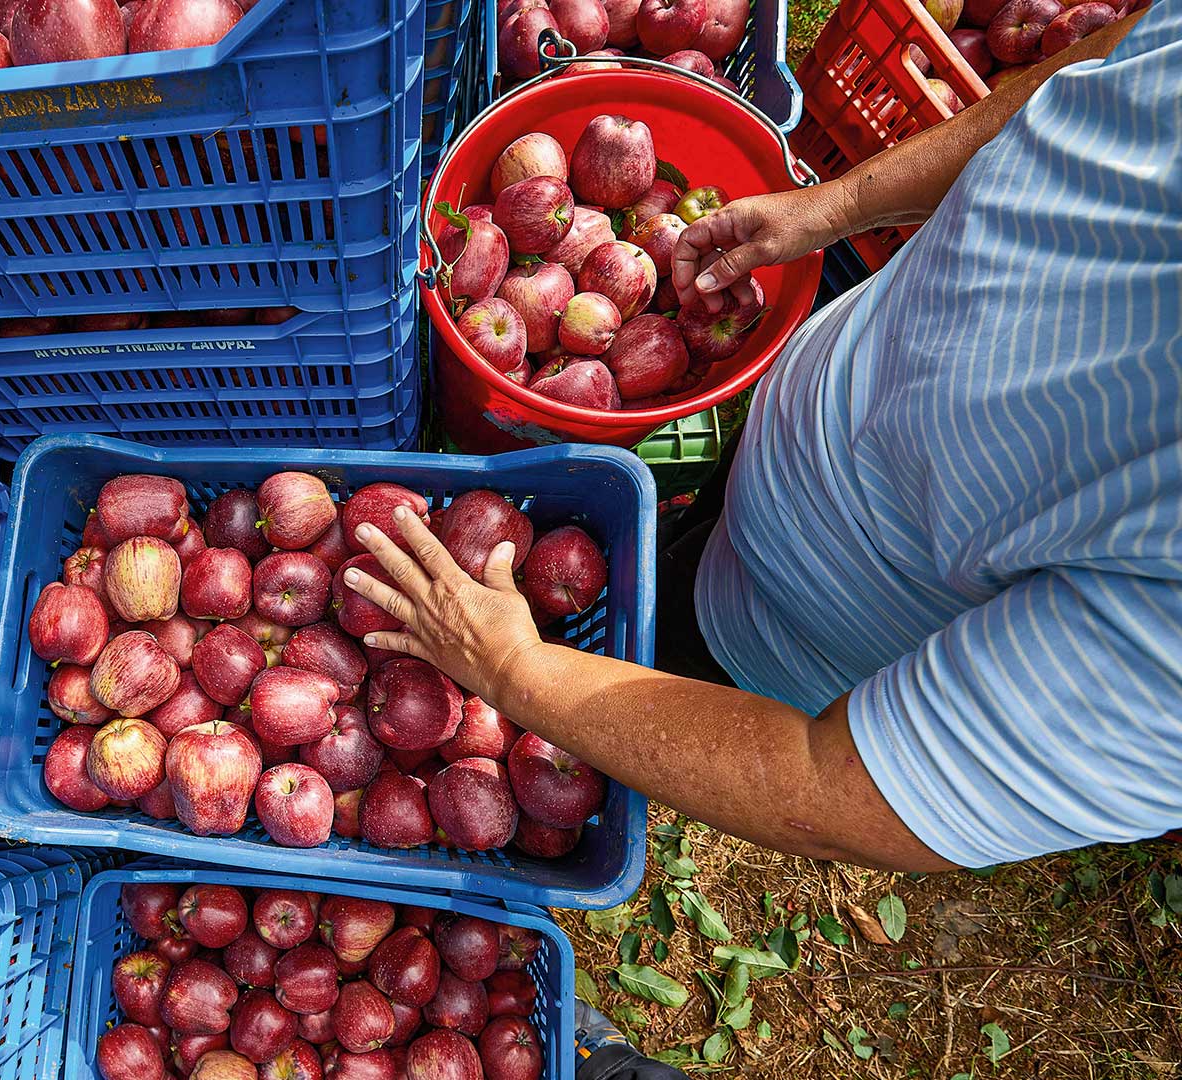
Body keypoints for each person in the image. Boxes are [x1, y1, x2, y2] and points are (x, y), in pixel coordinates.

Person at [344, 6, 1175, 874]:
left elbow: (843, 795)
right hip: (791, 440)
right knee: (656, 568)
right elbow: (1096, 72)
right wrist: (842, 204)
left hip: (786, 644)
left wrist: (513, 670)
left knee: (624, 689)